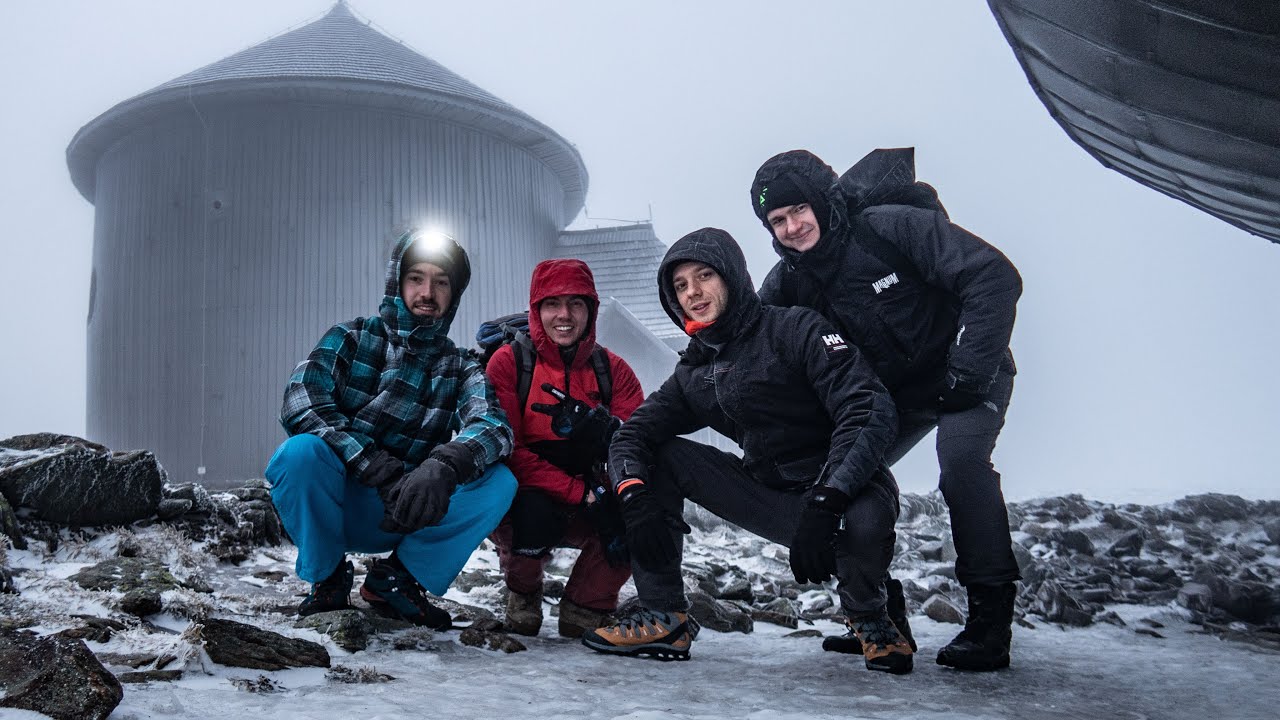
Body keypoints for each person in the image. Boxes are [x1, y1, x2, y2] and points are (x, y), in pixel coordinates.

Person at [582, 228, 913, 674]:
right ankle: (663, 615)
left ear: (733, 277)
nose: (693, 292)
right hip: (770, 496)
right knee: (659, 457)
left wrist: (828, 496)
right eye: (680, 285)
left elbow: (868, 407)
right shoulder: (695, 372)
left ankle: (871, 615)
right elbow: (630, 435)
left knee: (866, 524)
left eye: (704, 276)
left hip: (844, 493)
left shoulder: (794, 328)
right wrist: (633, 494)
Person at [750, 149, 1023, 671]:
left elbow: (993, 277)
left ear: (823, 203)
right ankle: (876, 613)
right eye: (777, 221)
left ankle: (990, 622)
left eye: (797, 211)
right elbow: (751, 338)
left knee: (962, 464)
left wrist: (967, 371)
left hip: (966, 372)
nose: (791, 227)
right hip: (891, 399)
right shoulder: (789, 283)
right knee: (834, 478)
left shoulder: (890, 228)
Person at [265, 229, 516, 630]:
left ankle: (398, 581)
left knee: (499, 482)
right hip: (338, 502)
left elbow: (494, 426)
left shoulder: (461, 366)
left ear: (454, 295)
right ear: (397, 283)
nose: (427, 292)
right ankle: (327, 578)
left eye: (441, 282)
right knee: (299, 454)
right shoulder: (351, 337)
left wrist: (444, 467)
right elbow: (301, 400)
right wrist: (374, 465)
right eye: (416, 277)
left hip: (405, 511)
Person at [486, 258, 645, 639]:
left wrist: (608, 439)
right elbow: (505, 450)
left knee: (642, 511)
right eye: (552, 304)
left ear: (592, 310)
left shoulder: (615, 372)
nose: (564, 315)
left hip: (593, 492)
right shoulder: (508, 364)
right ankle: (523, 590)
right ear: (535, 310)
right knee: (531, 511)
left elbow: (640, 445)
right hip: (533, 498)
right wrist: (580, 493)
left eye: (576, 304)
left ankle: (586, 603)